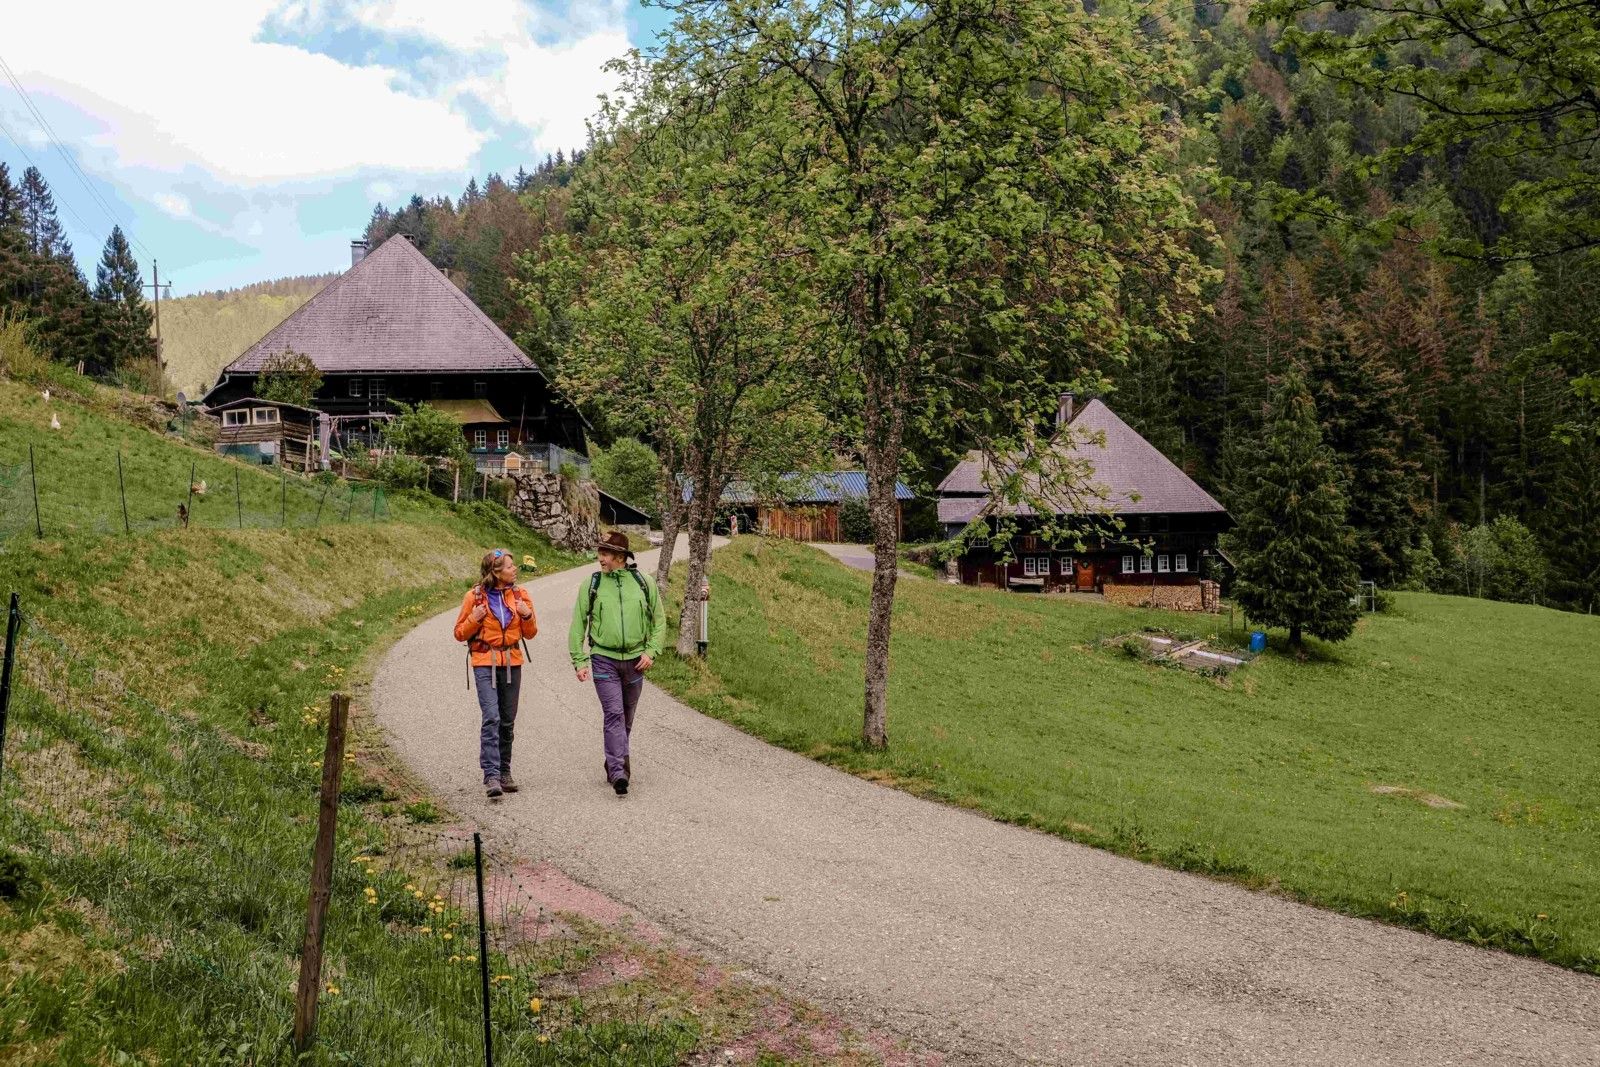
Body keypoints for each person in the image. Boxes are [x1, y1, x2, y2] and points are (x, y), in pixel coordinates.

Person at [568, 531, 665, 796]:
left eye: (606, 553)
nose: (600, 558)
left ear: (620, 557)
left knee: (627, 718)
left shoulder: (643, 582)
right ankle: (618, 772)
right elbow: (578, 624)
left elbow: (659, 620)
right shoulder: (593, 584)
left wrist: (651, 651)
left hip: (636, 661)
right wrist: (579, 659)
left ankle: (615, 760)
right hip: (604, 659)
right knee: (614, 714)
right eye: (600, 552)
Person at [454, 548, 537, 799]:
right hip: (483, 661)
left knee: (507, 720)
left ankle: (504, 771)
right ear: (496, 572)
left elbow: (531, 633)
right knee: (491, 716)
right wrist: (474, 619)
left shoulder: (521, 595)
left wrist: (527, 615)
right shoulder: (474, 597)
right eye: (510, 566)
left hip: (512, 661)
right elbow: (459, 633)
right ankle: (490, 775)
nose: (515, 570)